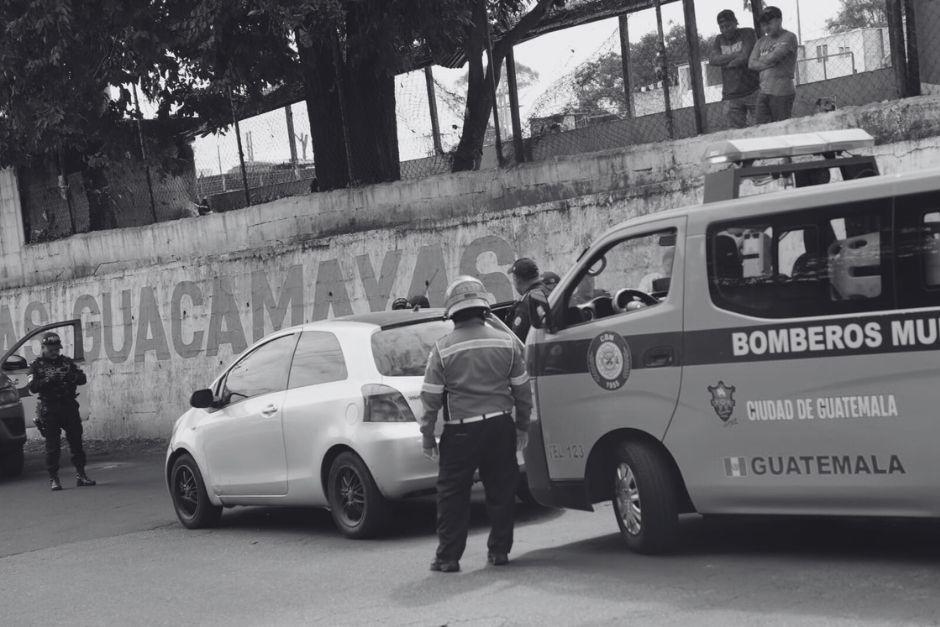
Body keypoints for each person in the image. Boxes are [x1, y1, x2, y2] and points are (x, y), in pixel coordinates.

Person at [420, 276, 533, 573]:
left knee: (452, 495)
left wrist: (428, 436)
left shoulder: (443, 348)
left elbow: (430, 397)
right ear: (484, 309)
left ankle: (448, 558)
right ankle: (499, 552)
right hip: (500, 427)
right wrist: (523, 426)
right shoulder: (507, 342)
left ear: (452, 313)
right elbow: (522, 390)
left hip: (461, 431)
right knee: (502, 490)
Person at [28, 332, 95, 491]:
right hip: (49, 408)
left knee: (76, 442)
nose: (54, 352)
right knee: (53, 446)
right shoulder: (36, 366)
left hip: (68, 406)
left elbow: (82, 378)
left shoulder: (66, 362)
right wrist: (49, 379)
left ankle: (81, 475)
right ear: (43, 348)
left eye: (56, 349)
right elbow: (33, 387)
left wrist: (69, 376)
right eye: (51, 349)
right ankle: (54, 478)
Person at [708, 10, 760, 129]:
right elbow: (712, 60)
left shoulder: (747, 32)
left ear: (736, 23)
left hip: (753, 90)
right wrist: (736, 55)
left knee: (762, 127)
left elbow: (745, 57)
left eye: (728, 25)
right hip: (731, 95)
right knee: (736, 133)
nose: (725, 29)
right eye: (722, 27)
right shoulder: (719, 39)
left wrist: (726, 60)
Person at [749, 6, 799, 124]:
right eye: (763, 24)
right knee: (761, 129)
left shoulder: (789, 37)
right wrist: (769, 63)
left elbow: (775, 57)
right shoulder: (761, 41)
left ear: (779, 20)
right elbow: (751, 64)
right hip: (764, 92)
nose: (766, 27)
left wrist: (761, 61)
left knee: (781, 129)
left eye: (769, 23)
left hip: (782, 92)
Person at [507, 257, 549, 341]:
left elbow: (518, 341)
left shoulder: (525, 304)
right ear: (537, 275)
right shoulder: (550, 292)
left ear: (517, 280)